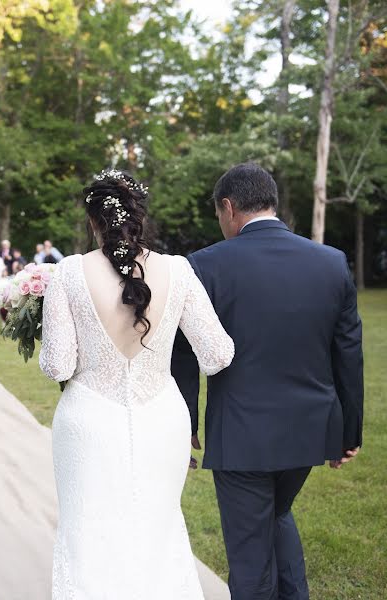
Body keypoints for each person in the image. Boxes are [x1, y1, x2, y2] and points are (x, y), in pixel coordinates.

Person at [172, 163, 364, 600]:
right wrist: (349, 433)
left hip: (242, 437)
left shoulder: (202, 266)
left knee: (249, 556)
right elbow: (349, 355)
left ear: (229, 207)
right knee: (276, 515)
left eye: (219, 215)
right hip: (310, 431)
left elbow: (182, 354)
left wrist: (185, 428)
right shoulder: (331, 262)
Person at [39, 169, 234, 599]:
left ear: (94, 222)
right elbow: (218, 354)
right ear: (139, 216)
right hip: (161, 421)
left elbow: (57, 366)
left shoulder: (68, 273)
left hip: (88, 422)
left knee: (88, 533)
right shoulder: (179, 271)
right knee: (157, 530)